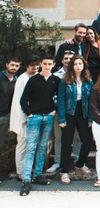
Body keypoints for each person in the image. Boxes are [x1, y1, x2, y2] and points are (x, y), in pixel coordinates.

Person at [19, 54, 60, 196]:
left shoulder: (56, 80)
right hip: (35, 118)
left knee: (43, 147)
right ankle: (26, 180)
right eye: (45, 64)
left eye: (50, 64)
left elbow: (59, 98)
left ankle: (37, 175)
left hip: (48, 117)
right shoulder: (33, 80)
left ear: (53, 64)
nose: (47, 66)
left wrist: (54, 111)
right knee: (31, 148)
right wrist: (30, 114)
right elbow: (23, 100)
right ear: (41, 64)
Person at [57, 56, 93, 184]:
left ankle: (80, 163)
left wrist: (90, 118)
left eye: (80, 63)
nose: (78, 66)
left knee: (88, 140)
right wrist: (61, 118)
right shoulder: (64, 81)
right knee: (66, 142)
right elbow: (60, 100)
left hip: (83, 112)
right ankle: (64, 171)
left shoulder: (88, 81)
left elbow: (91, 101)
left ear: (83, 65)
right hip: (68, 112)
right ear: (72, 65)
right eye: (75, 64)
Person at [10, 56, 39, 181]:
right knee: (22, 144)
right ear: (27, 66)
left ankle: (28, 169)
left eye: (37, 65)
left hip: (34, 116)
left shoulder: (37, 77)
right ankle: (20, 172)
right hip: (24, 117)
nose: (35, 67)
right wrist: (23, 118)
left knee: (31, 145)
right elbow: (18, 101)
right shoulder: (22, 79)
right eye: (33, 65)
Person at [0, 56, 21, 176]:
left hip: (6, 117)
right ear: (7, 65)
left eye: (17, 66)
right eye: (12, 65)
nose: (14, 67)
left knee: (1, 145)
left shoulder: (16, 80)